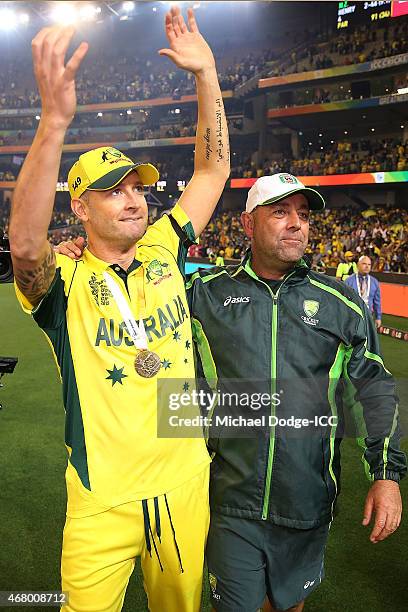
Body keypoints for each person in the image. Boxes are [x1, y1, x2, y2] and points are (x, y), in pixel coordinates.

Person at [9, 8, 229, 612]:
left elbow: (213, 170)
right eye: (113, 189)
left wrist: (207, 75)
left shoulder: (164, 244)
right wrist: (54, 122)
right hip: (101, 499)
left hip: (184, 483)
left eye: (137, 186)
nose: (134, 199)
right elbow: (25, 246)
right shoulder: (64, 279)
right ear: (78, 208)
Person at [186, 174, 406, 612]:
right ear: (248, 225)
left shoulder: (341, 304)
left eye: (303, 216)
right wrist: (77, 253)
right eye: (281, 212)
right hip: (229, 498)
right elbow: (137, 294)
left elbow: (374, 392)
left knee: (288, 607)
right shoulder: (205, 294)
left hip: (306, 499)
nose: (296, 224)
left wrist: (386, 474)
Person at [345, 255, 382, 329]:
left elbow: (377, 302)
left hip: (368, 318)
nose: (367, 266)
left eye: (369, 264)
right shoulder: (349, 281)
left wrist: (378, 317)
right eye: (364, 264)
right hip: (352, 318)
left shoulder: (374, 282)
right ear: (358, 265)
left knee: (367, 339)